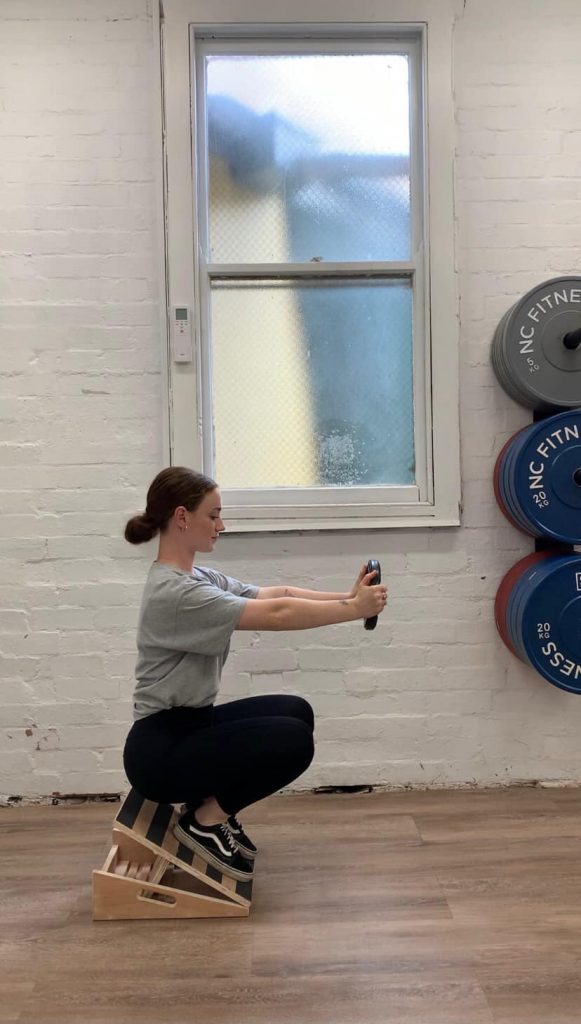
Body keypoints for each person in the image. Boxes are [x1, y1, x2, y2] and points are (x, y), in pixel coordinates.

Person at [122, 466, 388, 882]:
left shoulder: (198, 577)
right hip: (160, 753)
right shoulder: (176, 594)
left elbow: (276, 594)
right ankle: (205, 821)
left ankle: (208, 813)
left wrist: (349, 599)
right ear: (181, 517)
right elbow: (277, 614)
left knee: (296, 712)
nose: (221, 525)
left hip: (188, 726)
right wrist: (354, 611)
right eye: (213, 515)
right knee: (293, 743)